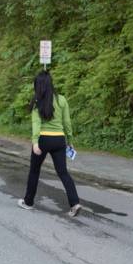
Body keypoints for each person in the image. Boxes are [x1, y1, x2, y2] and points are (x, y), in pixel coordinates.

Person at [17, 71, 82, 217]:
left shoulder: (37, 101)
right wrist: (70, 141)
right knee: (63, 172)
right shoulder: (61, 100)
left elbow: (36, 124)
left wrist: (35, 142)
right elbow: (67, 123)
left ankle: (28, 202)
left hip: (43, 140)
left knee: (34, 171)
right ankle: (75, 203)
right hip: (59, 140)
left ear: (38, 86)